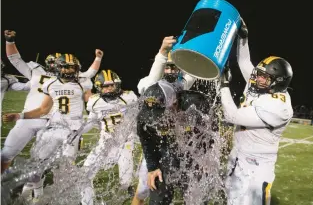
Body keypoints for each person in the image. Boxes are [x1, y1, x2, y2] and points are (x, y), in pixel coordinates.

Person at [1, 30, 103, 175]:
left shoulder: (73, 78)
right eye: (55, 63)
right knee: (7, 154)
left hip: (55, 123)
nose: (57, 66)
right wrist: (9, 41)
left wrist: (98, 59)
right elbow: (15, 59)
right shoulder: (37, 72)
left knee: (47, 163)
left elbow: (89, 73)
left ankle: (35, 190)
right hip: (31, 118)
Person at [220, 19, 294, 205]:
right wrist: (243, 38)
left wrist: (223, 85)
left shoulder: (279, 107)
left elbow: (232, 116)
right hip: (237, 156)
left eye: (264, 76)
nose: (257, 78)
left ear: (278, 81)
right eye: (259, 74)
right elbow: (243, 60)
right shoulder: (263, 87)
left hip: (257, 167)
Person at [2, 53, 93, 203]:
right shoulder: (50, 84)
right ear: (59, 68)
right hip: (53, 128)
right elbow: (43, 110)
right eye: (66, 68)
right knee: (36, 165)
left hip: (72, 132)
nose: (70, 71)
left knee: (67, 170)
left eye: (73, 68)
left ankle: (85, 200)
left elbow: (91, 95)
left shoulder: (83, 83)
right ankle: (36, 195)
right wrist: (20, 116)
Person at [132, 36, 197, 205]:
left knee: (182, 187)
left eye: (174, 68)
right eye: (167, 68)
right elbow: (153, 79)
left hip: (174, 142)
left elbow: (195, 72)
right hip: (154, 142)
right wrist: (162, 52)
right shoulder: (149, 84)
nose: (170, 72)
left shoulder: (181, 83)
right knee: (144, 189)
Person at [79, 69, 138, 205]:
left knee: (125, 182)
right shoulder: (94, 102)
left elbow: (138, 117)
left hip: (125, 143)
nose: (110, 88)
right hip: (105, 143)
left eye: (112, 85)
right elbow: (91, 121)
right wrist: (76, 133)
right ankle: (87, 202)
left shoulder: (129, 97)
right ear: (99, 87)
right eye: (106, 86)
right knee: (85, 173)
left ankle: (129, 187)